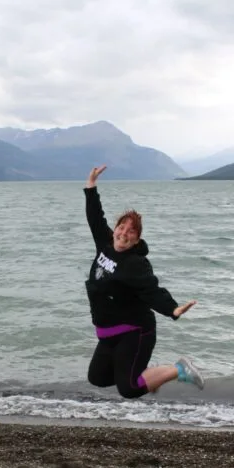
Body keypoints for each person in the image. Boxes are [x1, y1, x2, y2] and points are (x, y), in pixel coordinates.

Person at [83, 164, 204, 398]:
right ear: (115, 229)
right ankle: (151, 376)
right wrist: (91, 186)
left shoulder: (134, 264)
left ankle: (179, 369)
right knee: (97, 378)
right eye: (121, 228)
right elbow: (95, 218)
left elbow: (152, 290)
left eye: (131, 232)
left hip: (135, 331)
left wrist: (173, 309)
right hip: (107, 333)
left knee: (128, 388)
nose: (123, 234)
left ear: (137, 240)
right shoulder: (105, 245)